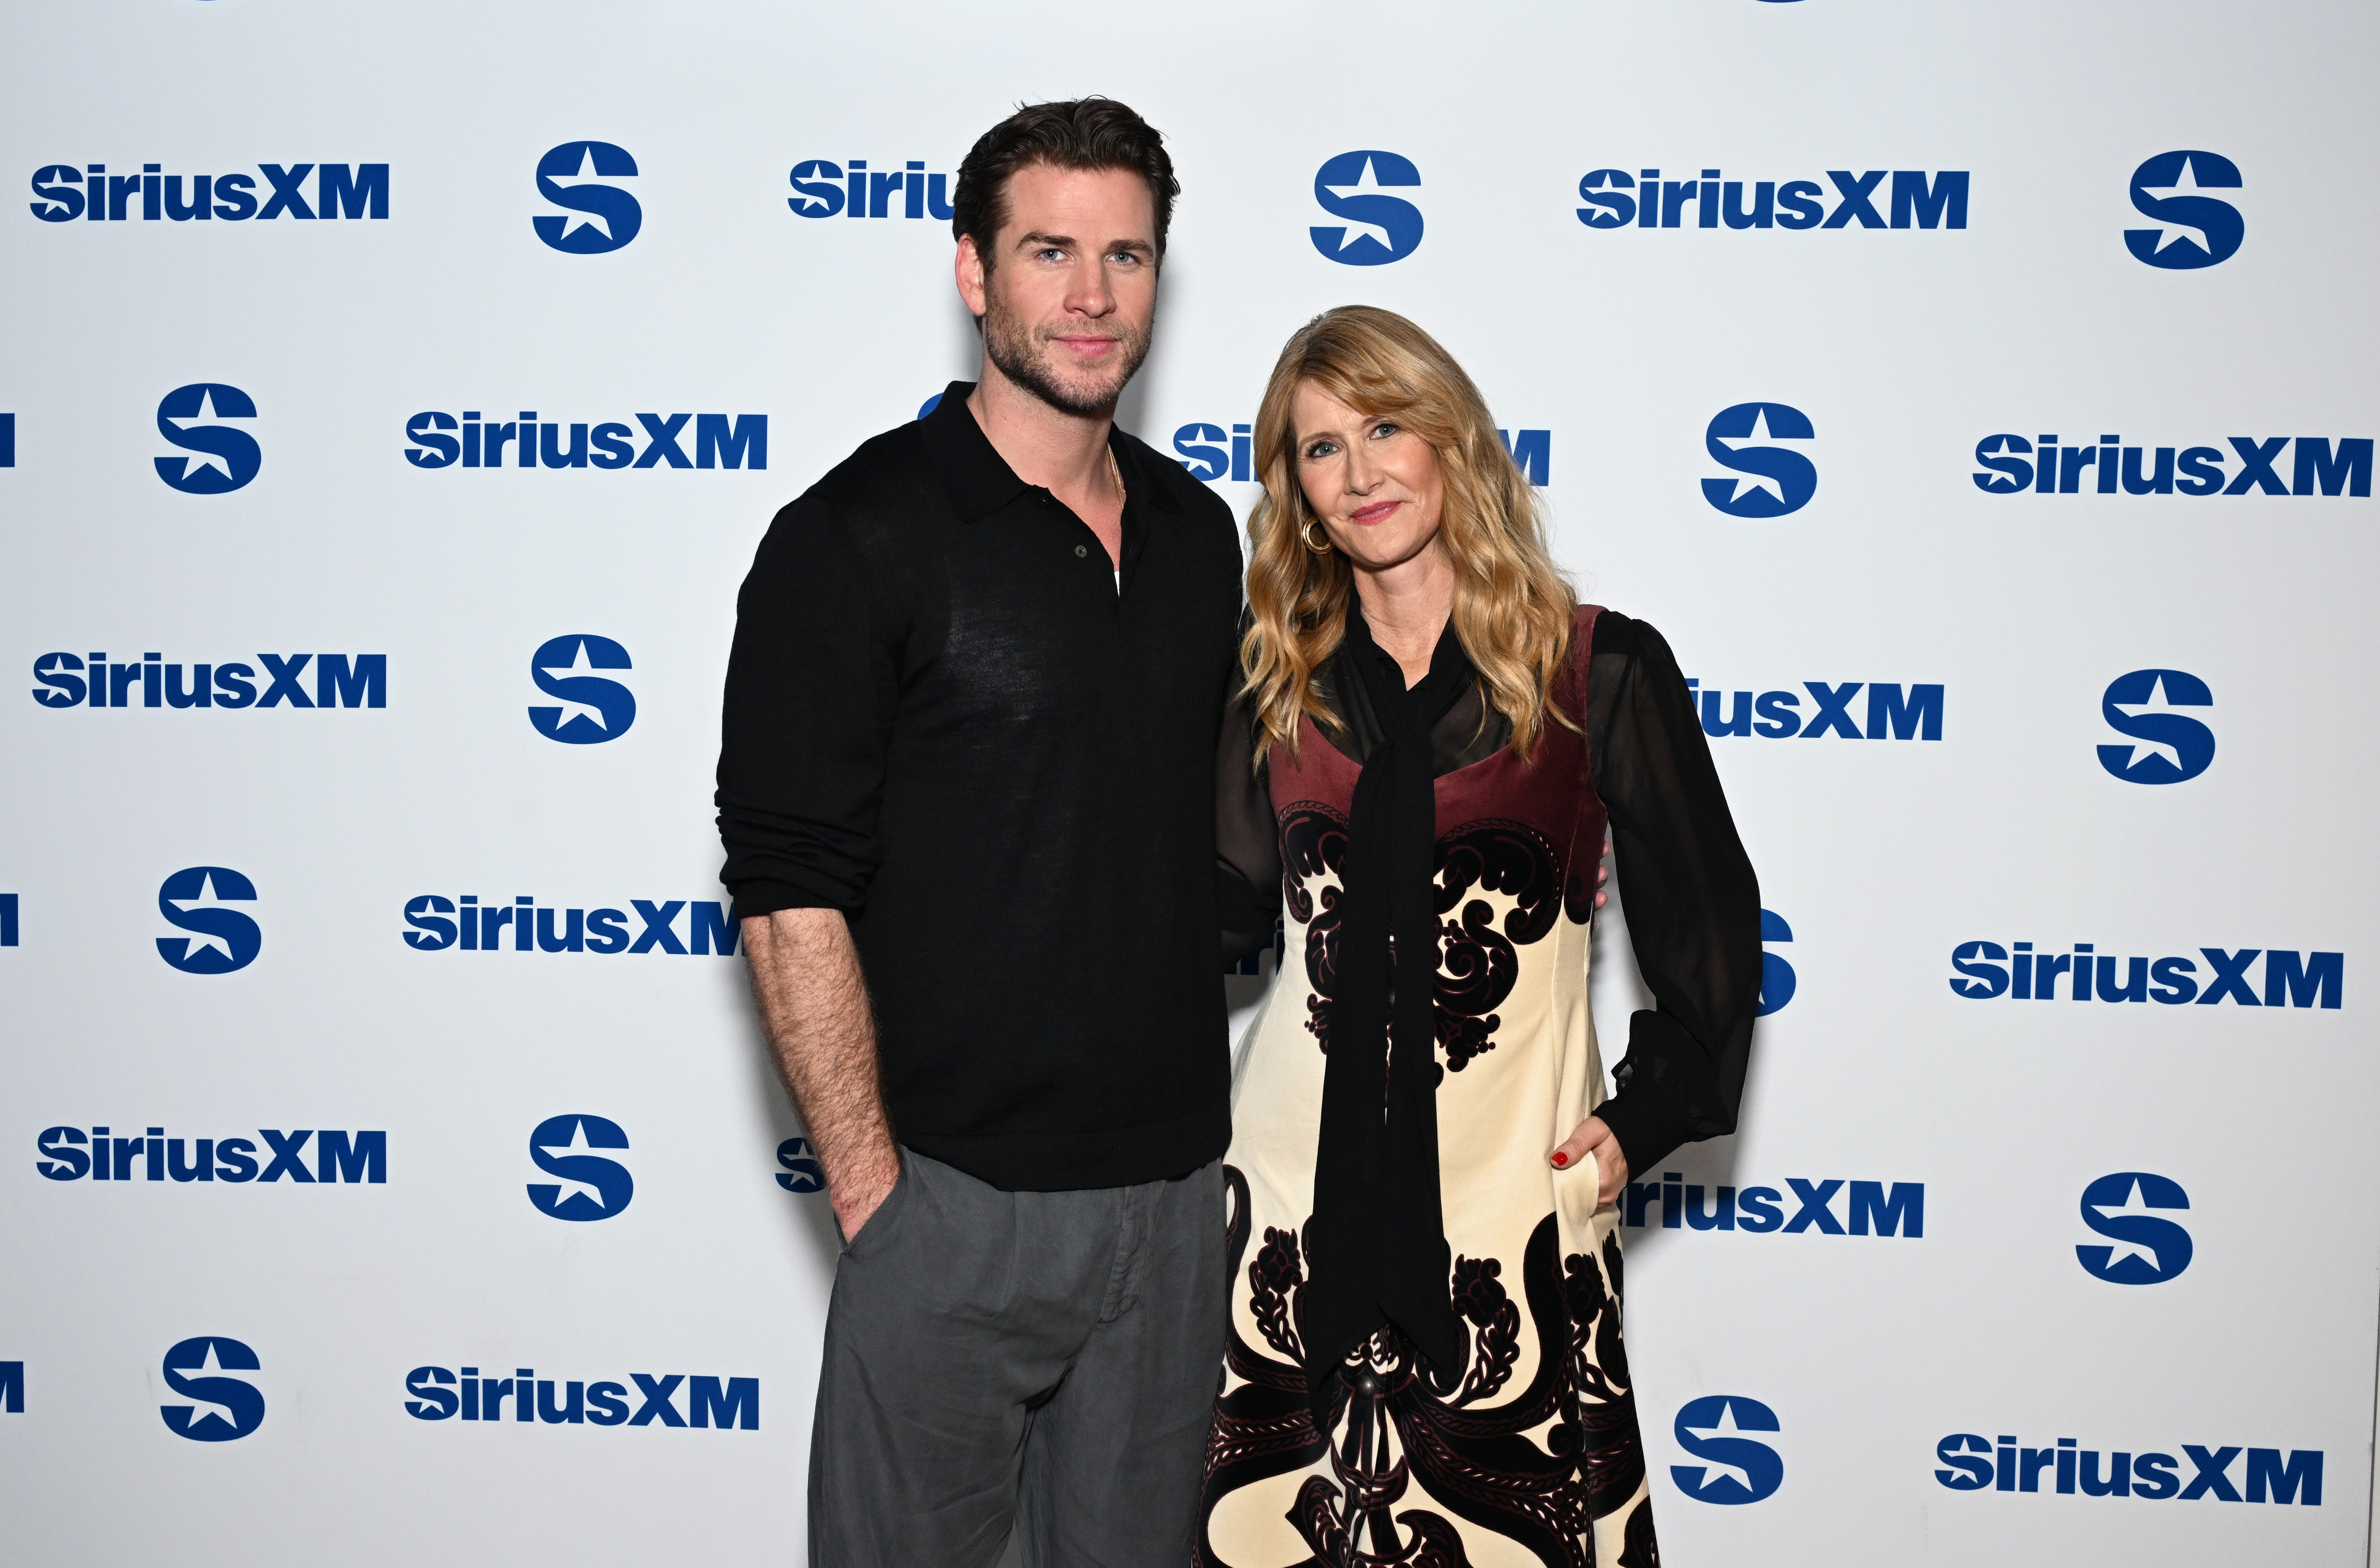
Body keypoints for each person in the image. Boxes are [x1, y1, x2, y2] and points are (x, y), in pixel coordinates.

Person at [715, 99, 1243, 1568]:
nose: (1090, 296)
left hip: (1171, 1201)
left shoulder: (1205, 536)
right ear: (973, 273)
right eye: (1048, 252)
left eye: (1126, 255)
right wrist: (883, 1206)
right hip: (954, 1206)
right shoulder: (857, 534)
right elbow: (786, 889)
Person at [1198, 306, 1762, 1567]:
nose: (1360, 474)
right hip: (1289, 1209)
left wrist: (1646, 1117)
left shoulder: (1596, 672)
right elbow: (1218, 909)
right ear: (1292, 490)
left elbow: (1709, 929)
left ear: (1452, 442)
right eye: (1320, 448)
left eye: (1385, 427)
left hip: (1506, 1202)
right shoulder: (1270, 682)